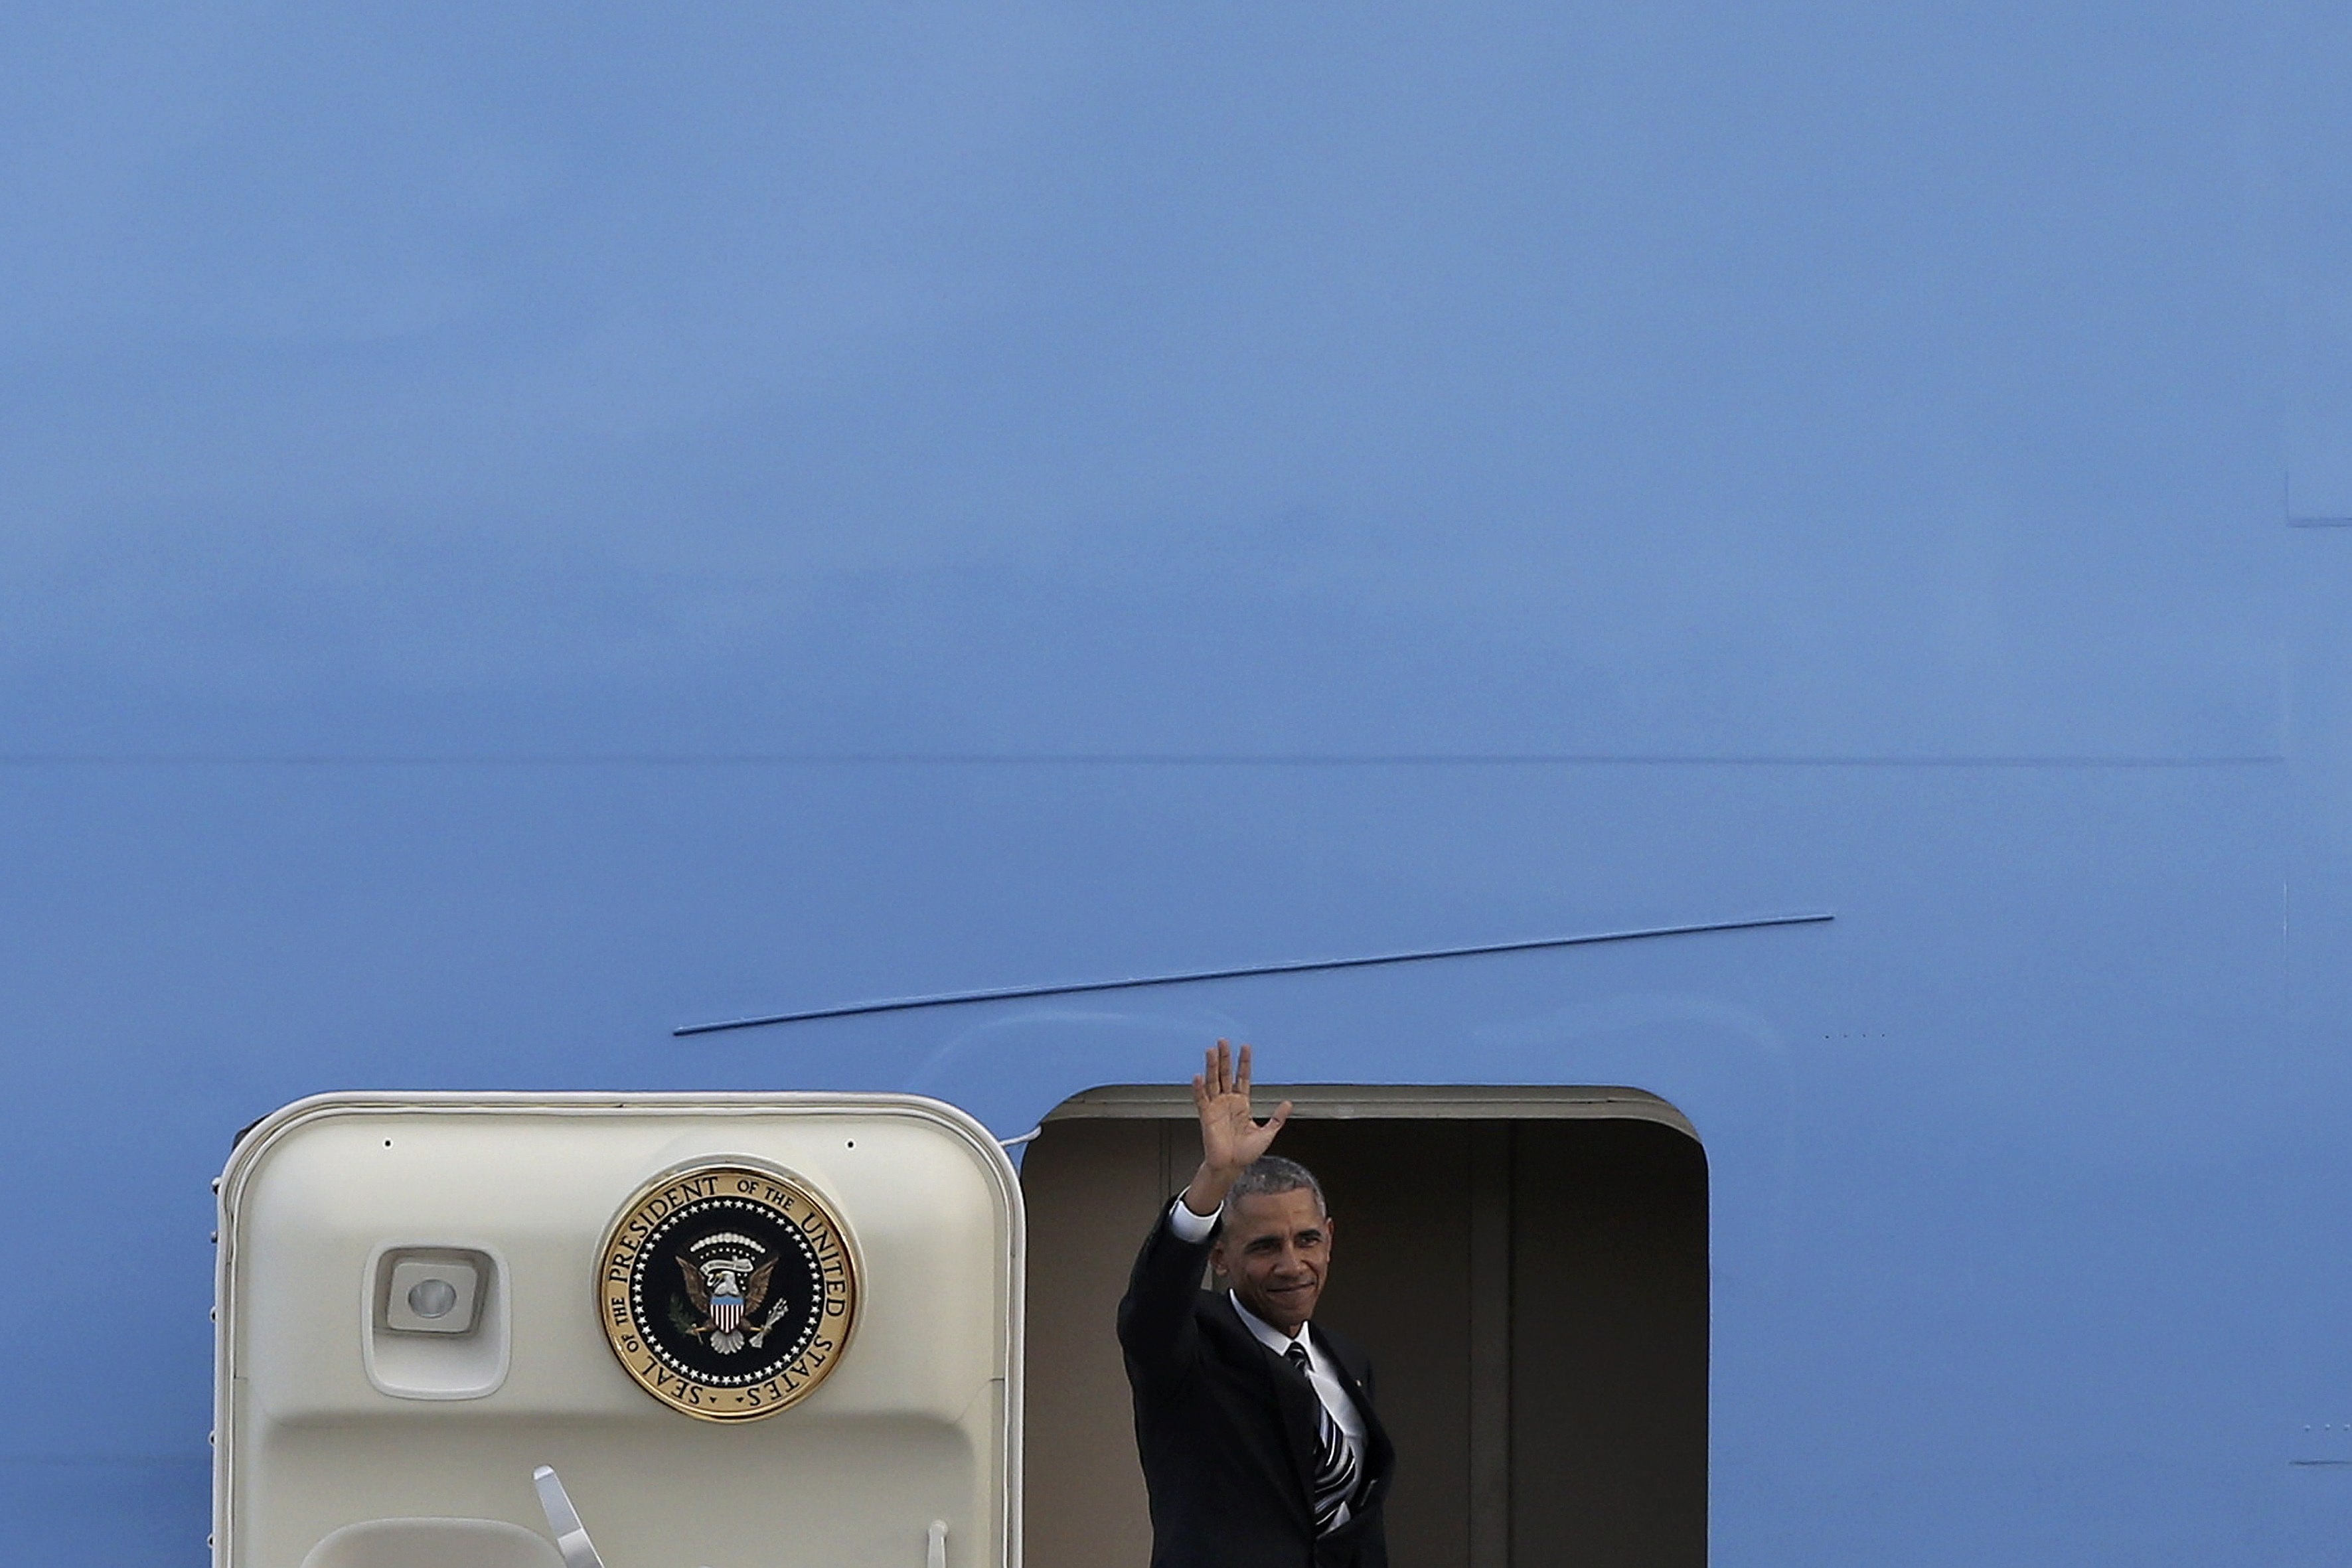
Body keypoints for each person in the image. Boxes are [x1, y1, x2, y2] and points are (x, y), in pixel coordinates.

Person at [1118, 1041, 1395, 1568]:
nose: (1292, 1265)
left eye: (1307, 1240)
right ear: (1219, 1256)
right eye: (1265, 1247)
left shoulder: (1347, 1361)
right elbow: (1151, 1311)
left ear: (1330, 1239)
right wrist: (1213, 1181)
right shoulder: (1193, 1347)